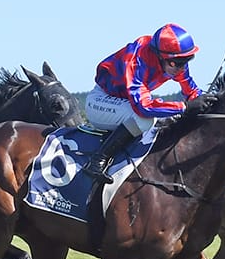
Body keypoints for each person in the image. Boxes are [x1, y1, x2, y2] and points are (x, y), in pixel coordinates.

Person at [81, 23, 214, 184]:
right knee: (144, 119)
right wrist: (184, 107)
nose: (180, 68)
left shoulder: (176, 60)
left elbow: (192, 91)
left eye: (185, 61)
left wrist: (208, 101)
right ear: (160, 56)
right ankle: (98, 160)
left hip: (125, 103)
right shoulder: (136, 60)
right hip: (100, 101)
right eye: (175, 63)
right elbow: (143, 107)